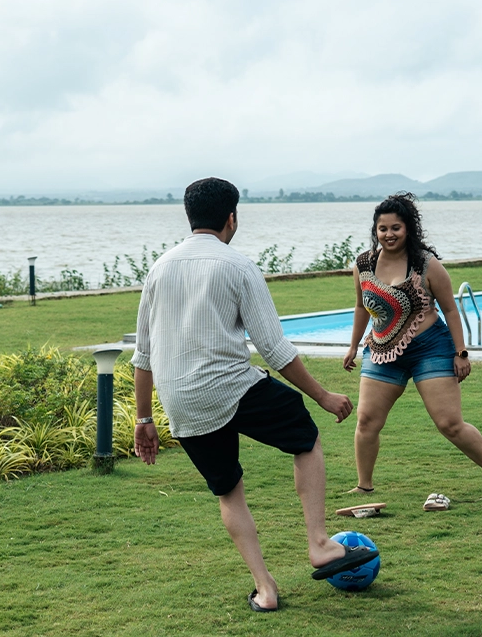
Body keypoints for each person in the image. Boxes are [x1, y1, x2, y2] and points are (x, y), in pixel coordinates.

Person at [132, 177, 378, 613]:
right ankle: (320, 544)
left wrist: (144, 420)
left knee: (230, 491)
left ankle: (265, 590)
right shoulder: (237, 265)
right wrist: (322, 395)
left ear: (190, 217)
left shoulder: (159, 268)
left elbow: (144, 356)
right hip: (230, 385)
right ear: (232, 217)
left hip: (181, 401)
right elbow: (275, 348)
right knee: (305, 438)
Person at [342, 193, 482, 499]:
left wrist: (461, 353)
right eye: (383, 228)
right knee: (367, 421)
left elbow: (450, 310)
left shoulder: (426, 264)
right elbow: (359, 307)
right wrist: (353, 346)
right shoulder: (363, 265)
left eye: (396, 228)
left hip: (429, 348)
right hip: (381, 350)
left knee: (450, 424)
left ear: (408, 229)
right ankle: (364, 485)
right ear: (375, 230)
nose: (389, 234)